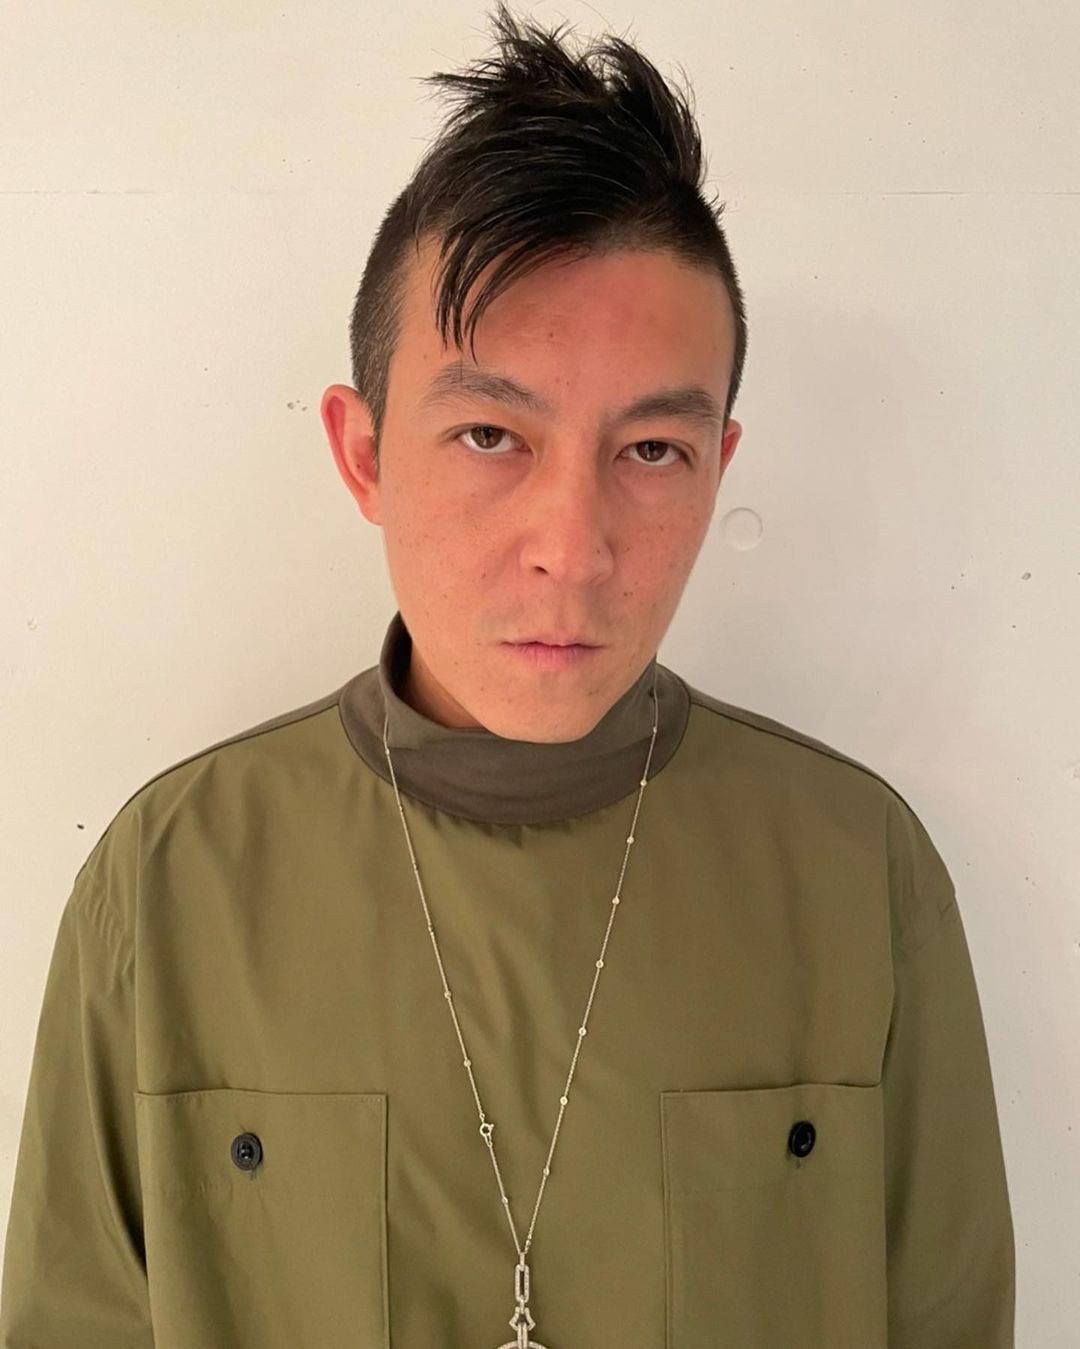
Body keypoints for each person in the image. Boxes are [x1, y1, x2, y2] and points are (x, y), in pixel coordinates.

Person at [0, 4, 1015, 1346]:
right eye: (491, 434)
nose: (573, 551)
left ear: (719, 465)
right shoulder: (168, 884)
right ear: (363, 454)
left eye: (651, 451)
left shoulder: (856, 872)